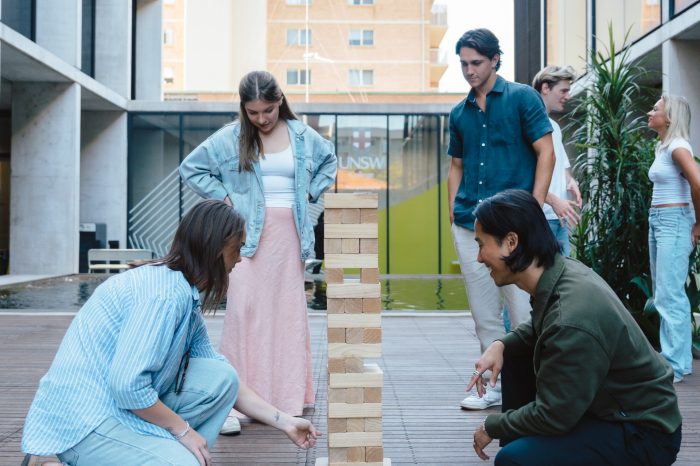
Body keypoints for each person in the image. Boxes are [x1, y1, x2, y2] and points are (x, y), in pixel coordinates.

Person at [21, 200, 319, 466]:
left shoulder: (181, 291)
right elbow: (128, 386)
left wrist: (285, 422)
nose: (240, 259)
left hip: (115, 409)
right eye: (238, 248)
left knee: (221, 378)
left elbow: (226, 377)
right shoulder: (164, 295)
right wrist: (183, 431)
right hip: (85, 422)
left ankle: (157, 451)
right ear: (217, 247)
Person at [466, 189, 682, 466]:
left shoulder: (571, 316)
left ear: (511, 242)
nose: (479, 258)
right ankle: (527, 445)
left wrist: (492, 425)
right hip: (613, 412)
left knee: (514, 460)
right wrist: (501, 344)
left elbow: (554, 415)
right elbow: (540, 327)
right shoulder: (559, 273)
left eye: (481, 245)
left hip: (643, 433)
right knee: (515, 354)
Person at [179, 71, 337, 432]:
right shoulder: (232, 137)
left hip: (289, 237)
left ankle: (286, 399)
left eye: (267, 110)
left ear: (280, 101)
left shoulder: (301, 135)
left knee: (286, 315)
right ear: (243, 109)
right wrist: (226, 197)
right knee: (242, 314)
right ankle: (232, 404)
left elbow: (329, 161)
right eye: (253, 112)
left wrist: (312, 190)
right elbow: (191, 168)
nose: (262, 119)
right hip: (245, 239)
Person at [447, 28, 555, 410]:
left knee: (525, 309)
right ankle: (496, 388)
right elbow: (456, 166)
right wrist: (452, 214)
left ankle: (536, 388)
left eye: (476, 62)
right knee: (483, 313)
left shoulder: (523, 98)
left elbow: (546, 152)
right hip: (468, 223)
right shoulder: (459, 113)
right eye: (463, 63)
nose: (469, 70)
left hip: (513, 226)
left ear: (495, 59)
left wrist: (534, 209)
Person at [647, 94, 700, 383]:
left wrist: (698, 225)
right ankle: (674, 360)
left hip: (674, 222)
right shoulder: (663, 146)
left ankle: (677, 366)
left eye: (655, 109)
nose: (650, 112)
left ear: (670, 118)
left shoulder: (678, 147)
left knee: (670, 295)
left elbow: (698, 183)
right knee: (663, 294)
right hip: (658, 221)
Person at [532, 65, 582, 256]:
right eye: (563, 90)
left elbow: (562, 166)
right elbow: (525, 174)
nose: (568, 96)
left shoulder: (554, 126)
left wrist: (571, 181)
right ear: (545, 88)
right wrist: (554, 201)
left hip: (558, 218)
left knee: (561, 280)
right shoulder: (529, 126)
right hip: (541, 217)